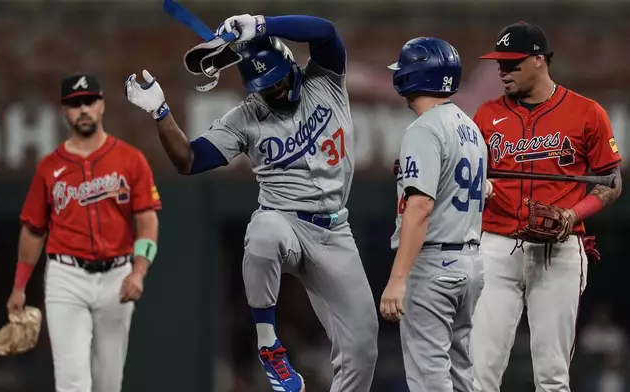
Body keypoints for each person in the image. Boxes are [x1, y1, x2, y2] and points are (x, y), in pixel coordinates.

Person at [125, 14, 378, 392]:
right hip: (286, 223)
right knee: (263, 230)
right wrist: (161, 113)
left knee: (363, 348)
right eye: (265, 86)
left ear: (292, 66)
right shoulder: (245, 117)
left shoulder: (325, 79)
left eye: (278, 80)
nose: (274, 90)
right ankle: (268, 345)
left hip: (334, 231)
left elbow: (324, 31)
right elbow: (189, 160)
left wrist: (262, 24)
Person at [469, 21, 623, 392]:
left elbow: (611, 182)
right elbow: (469, 178)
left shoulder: (587, 113)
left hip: (559, 251)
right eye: (499, 63)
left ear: (539, 60)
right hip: (497, 246)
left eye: (512, 63)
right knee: (479, 374)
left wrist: (574, 214)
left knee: (553, 377)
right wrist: (480, 186)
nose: (502, 71)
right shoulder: (486, 115)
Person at [7, 73, 162, 392]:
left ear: (102, 105)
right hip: (66, 276)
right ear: (64, 110)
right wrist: (19, 286)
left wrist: (139, 272)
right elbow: (33, 230)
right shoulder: (49, 167)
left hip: (117, 274)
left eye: (89, 101)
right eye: (75, 104)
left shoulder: (130, 159)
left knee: (108, 382)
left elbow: (147, 220)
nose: (83, 109)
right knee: (72, 380)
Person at [380, 37, 487, 392]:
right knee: (460, 377)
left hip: (434, 265)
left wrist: (398, 278)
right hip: (469, 265)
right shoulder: (470, 127)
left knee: (430, 381)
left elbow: (420, 206)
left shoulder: (425, 128)